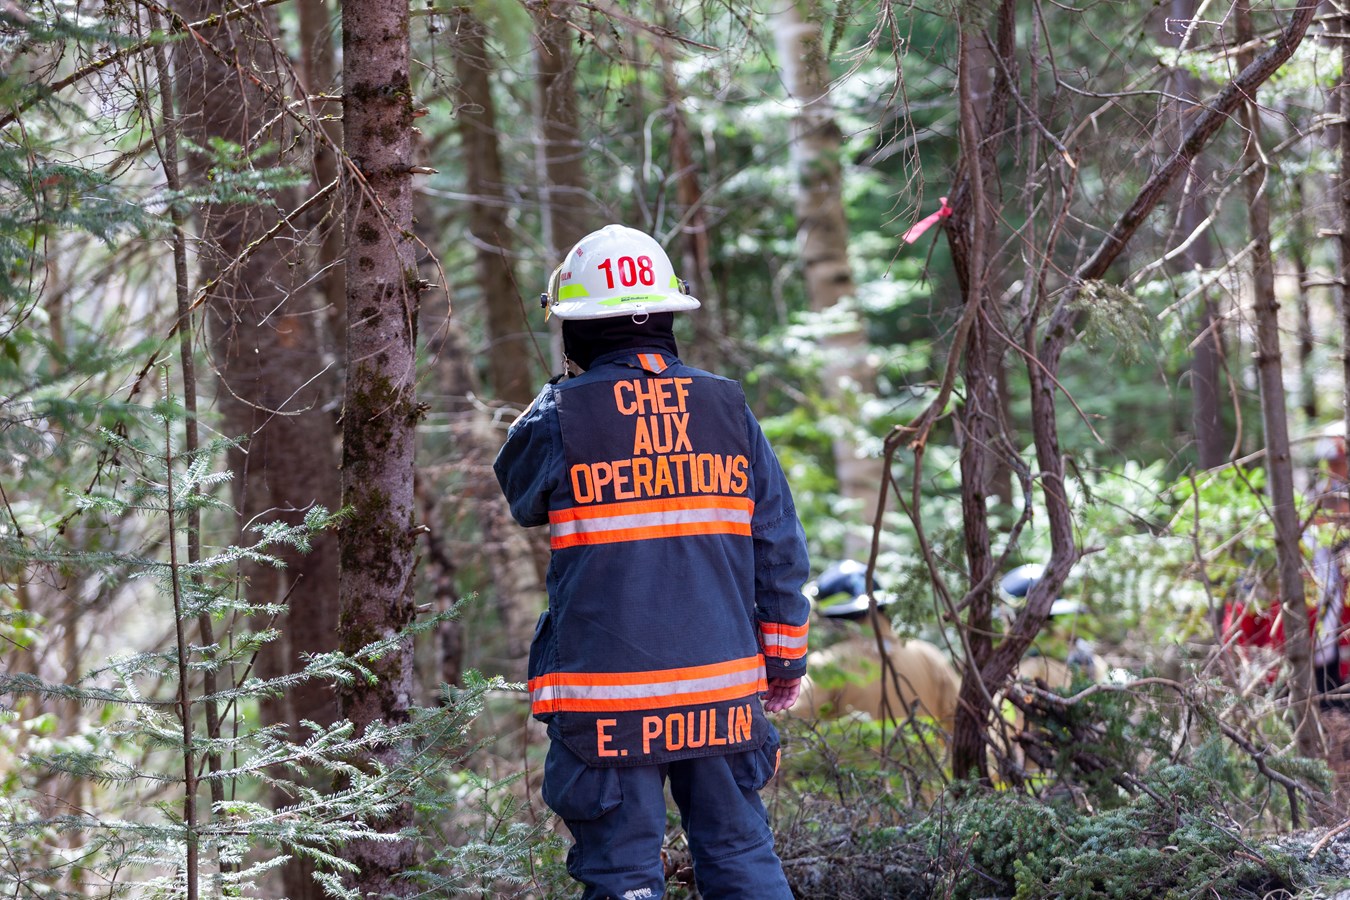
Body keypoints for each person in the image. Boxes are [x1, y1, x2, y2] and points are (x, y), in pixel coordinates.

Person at [493, 224, 811, 900]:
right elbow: (779, 544)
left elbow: (521, 491)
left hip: (608, 705)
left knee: (621, 874)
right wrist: (784, 661)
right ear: (668, 315)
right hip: (721, 697)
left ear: (576, 328)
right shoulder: (729, 408)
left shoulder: (559, 415)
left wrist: (564, 392)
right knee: (740, 855)